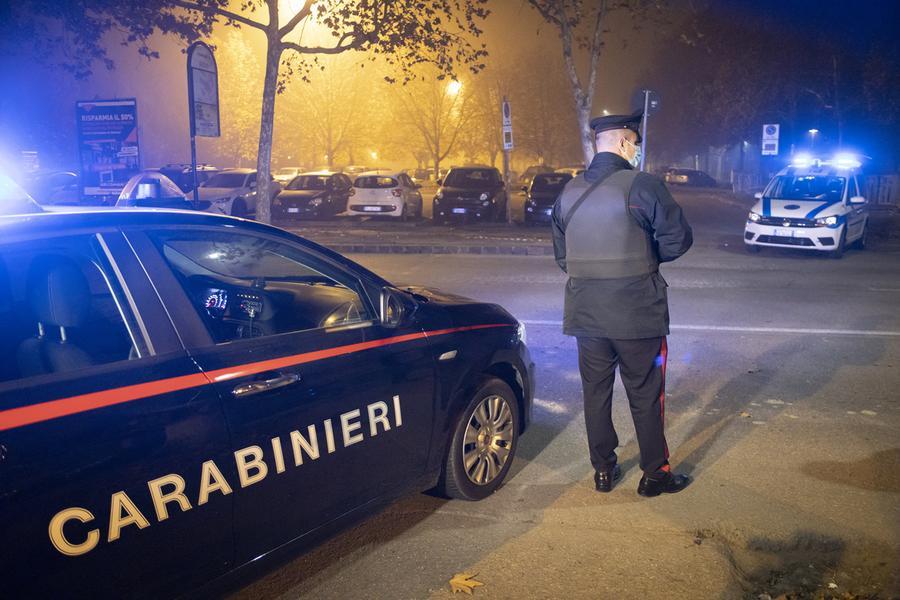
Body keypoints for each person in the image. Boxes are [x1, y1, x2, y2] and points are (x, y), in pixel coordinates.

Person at [551, 109, 693, 497]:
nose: (637, 150)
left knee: (595, 395)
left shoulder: (568, 192)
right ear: (624, 142)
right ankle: (654, 475)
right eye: (635, 143)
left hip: (586, 314)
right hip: (637, 315)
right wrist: (643, 257)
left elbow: (563, 257)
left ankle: (602, 471)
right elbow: (677, 241)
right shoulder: (644, 186)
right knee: (646, 393)